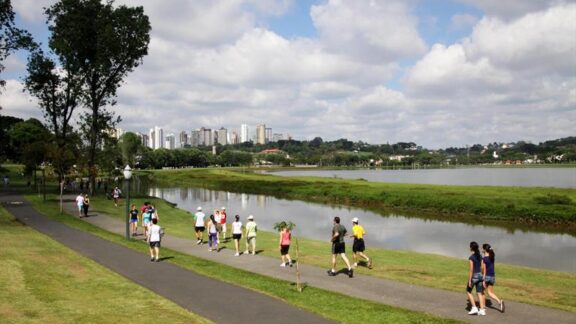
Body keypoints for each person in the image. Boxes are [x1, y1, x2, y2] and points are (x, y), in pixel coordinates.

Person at [483, 243, 504, 313]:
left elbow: (484, 270)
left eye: (482, 248)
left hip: (486, 277)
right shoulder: (492, 257)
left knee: (482, 292)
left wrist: (483, 279)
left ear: (484, 250)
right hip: (492, 277)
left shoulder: (484, 259)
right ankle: (499, 301)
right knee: (490, 292)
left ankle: (483, 307)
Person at [467, 241, 486, 316]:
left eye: (470, 246)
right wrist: (481, 274)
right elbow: (482, 267)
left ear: (471, 248)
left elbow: (471, 269)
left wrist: (469, 280)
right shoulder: (480, 256)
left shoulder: (471, 257)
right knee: (479, 293)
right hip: (480, 275)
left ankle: (474, 307)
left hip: (474, 276)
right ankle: (482, 310)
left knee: (468, 291)